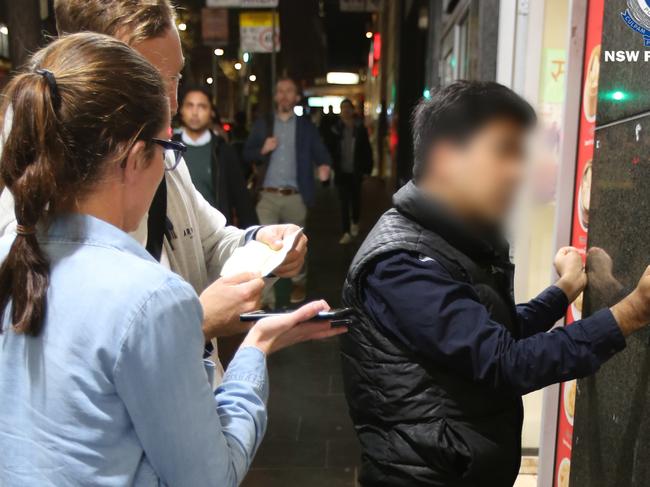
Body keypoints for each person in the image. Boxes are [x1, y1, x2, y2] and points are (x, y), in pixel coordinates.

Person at [0, 33, 346, 487]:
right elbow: (209, 475)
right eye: (167, 152)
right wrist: (256, 348)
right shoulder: (150, 297)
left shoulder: (20, 250)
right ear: (133, 158)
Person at [340, 81, 650, 487]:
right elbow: (504, 362)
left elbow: (484, 332)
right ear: (447, 157)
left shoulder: (446, 236)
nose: (518, 170)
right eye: (503, 151)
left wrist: (562, 293)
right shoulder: (403, 262)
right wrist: (631, 312)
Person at [0, 0, 307, 380]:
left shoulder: (164, 153)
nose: (174, 104)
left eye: (176, 77)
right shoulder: (32, 190)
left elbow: (208, 241)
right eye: (155, 82)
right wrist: (200, 325)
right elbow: (68, 364)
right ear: (95, 71)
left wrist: (263, 246)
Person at [244, 77, 331, 303]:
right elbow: (247, 153)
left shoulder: (306, 126)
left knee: (295, 246)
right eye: (280, 91)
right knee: (263, 246)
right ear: (275, 96)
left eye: (289, 91)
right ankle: (266, 298)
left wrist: (324, 166)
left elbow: (321, 152)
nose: (284, 95)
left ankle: (298, 282)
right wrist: (262, 148)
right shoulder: (263, 123)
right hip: (267, 196)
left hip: (295, 197)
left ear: (296, 97)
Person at [176, 86, 258, 228]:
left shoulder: (223, 151)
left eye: (202, 106)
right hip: (176, 233)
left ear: (211, 112)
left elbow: (241, 199)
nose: (195, 112)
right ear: (181, 110)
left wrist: (253, 236)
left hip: (215, 232)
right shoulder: (168, 149)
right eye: (190, 106)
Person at [330, 98, 373, 244]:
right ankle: (346, 231)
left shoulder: (359, 128)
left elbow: (367, 149)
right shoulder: (336, 128)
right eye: (343, 108)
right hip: (341, 172)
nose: (346, 111)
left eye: (348, 108)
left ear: (352, 110)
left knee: (355, 200)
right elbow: (331, 148)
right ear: (340, 111)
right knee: (343, 202)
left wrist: (367, 169)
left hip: (356, 171)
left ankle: (355, 221)